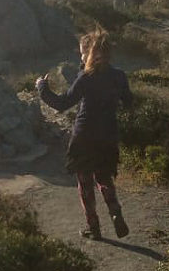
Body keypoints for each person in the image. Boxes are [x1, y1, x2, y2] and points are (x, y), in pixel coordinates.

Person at [36, 28, 132, 240]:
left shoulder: (85, 78)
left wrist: (42, 87)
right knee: (104, 177)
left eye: (82, 53)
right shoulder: (119, 76)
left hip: (84, 135)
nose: (80, 56)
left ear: (89, 53)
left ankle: (93, 227)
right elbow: (129, 102)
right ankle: (115, 211)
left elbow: (61, 104)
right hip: (108, 135)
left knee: (85, 182)